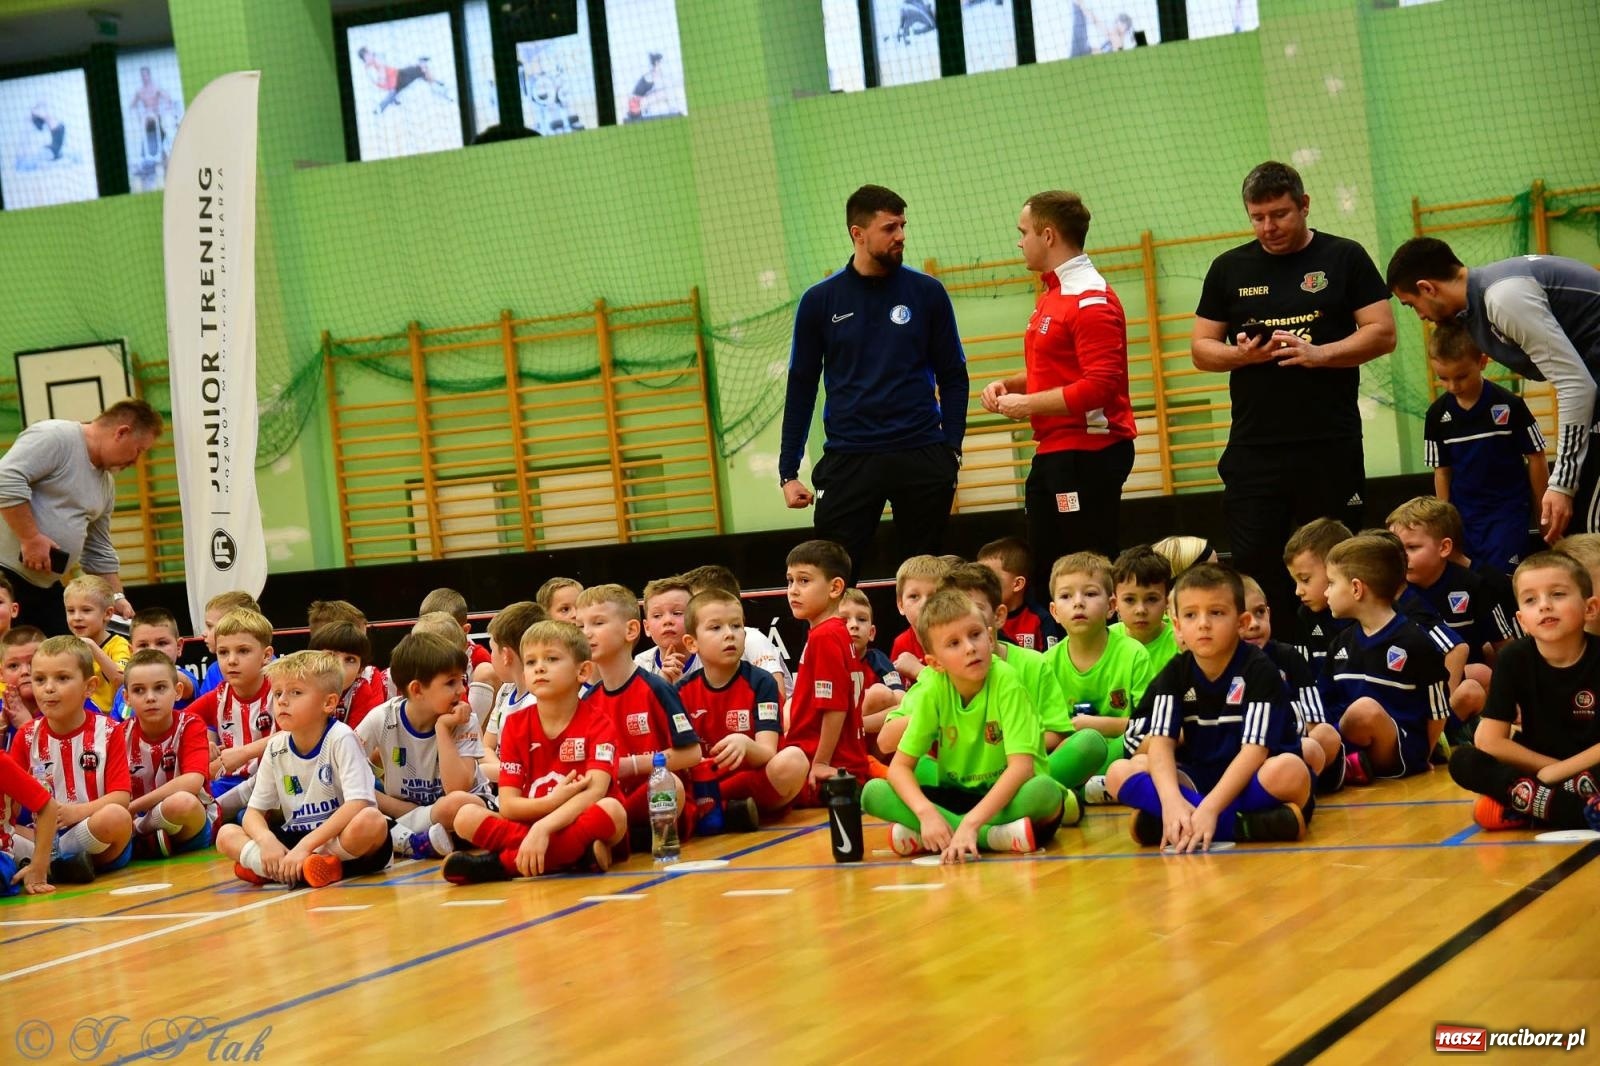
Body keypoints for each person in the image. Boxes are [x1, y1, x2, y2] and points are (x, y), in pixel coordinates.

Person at [1191, 162, 1396, 635]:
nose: (1269, 227)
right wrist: (1240, 355)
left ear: (1304, 206)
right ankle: (1273, 661)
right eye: (1258, 217)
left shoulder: (1344, 257)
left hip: (1329, 442)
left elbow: (1382, 333)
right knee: (1256, 562)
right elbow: (1201, 349)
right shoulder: (1229, 268)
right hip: (1254, 447)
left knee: (1335, 562)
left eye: (1280, 214)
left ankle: (1341, 658)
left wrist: (1318, 352)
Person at [779, 185, 968, 579]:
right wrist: (788, 470)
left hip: (921, 453)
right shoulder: (820, 301)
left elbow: (953, 375)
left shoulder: (927, 292)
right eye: (889, 227)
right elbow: (801, 386)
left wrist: (951, 449)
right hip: (850, 458)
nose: (901, 235)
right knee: (834, 578)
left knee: (926, 580)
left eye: (903, 225)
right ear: (857, 233)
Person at [1387, 238, 1600, 541]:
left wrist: (1561, 484)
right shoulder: (1483, 300)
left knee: (1590, 534)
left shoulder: (1502, 297)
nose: (1419, 315)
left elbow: (1576, 385)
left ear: (1427, 288)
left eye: (1411, 305)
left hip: (1591, 387)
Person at [982, 190, 1136, 572]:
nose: (1020, 242)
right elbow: (1055, 372)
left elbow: (1100, 385)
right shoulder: (1053, 293)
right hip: (1055, 451)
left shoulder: (1089, 297)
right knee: (1048, 569)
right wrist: (1011, 385)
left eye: (1023, 232)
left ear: (1048, 236)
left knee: (1086, 570)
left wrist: (1028, 404)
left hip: (1088, 453)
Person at [1106, 565, 1311, 850]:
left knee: (1291, 770)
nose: (1203, 623)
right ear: (1177, 626)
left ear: (1241, 622)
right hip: (1197, 779)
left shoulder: (1259, 670)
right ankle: (1237, 825)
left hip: (1253, 779)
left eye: (1216, 613)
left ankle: (1194, 824)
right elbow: (1161, 744)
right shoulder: (1174, 673)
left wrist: (1210, 809)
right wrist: (1172, 802)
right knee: (1120, 771)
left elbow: (1255, 752)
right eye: (1191, 615)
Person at [862, 588, 1068, 861]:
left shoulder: (1007, 680)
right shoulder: (933, 688)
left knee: (1046, 792)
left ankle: (951, 834)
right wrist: (927, 814)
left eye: (975, 634)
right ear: (935, 663)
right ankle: (994, 837)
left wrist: (970, 824)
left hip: (1009, 795)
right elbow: (900, 767)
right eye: (954, 643)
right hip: (957, 795)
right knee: (873, 792)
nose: (970, 647)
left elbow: (1021, 768)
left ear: (990, 636)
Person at [443, 621, 628, 882]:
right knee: (465, 817)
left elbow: (595, 793)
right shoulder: (516, 724)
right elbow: (508, 805)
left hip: (580, 821)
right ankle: (576, 856)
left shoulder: (599, 723)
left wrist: (544, 828)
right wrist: (549, 807)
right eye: (530, 662)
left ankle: (501, 865)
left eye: (551, 659)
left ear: (583, 671)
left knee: (612, 810)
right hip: (530, 823)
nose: (539, 667)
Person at [1449, 552, 1600, 830]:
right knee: (1463, 760)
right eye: (1531, 599)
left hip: (1590, 766)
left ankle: (1528, 804)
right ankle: (1574, 809)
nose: (1544, 606)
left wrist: (1556, 773)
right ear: (1521, 620)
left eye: (1557, 594)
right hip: (1540, 765)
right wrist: (1550, 770)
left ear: (1590, 608)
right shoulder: (1513, 658)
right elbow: (1492, 741)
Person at [218, 651, 391, 887]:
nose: (282, 701)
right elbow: (253, 813)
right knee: (226, 834)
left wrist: (305, 847)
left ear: (329, 703)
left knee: (372, 822)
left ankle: (272, 870)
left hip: (335, 837)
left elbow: (357, 804)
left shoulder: (341, 737)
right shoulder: (276, 746)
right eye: (277, 693)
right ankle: (306, 868)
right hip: (298, 837)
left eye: (295, 692)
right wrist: (266, 840)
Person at [0, 399, 162, 634]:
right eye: (138, 450)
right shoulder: (56, 437)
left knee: (63, 655)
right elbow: (5, 480)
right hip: (4, 575)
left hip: (43, 585)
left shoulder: (106, 485)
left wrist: (115, 597)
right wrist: (30, 538)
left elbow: (98, 551)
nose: (136, 462)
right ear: (122, 432)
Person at [1318, 535, 1451, 785]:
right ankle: (1339, 768)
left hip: (1397, 751)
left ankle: (1341, 767)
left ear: (1357, 588)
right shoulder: (1341, 643)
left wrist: (1424, 756)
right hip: (1345, 741)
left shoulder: (1415, 641)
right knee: (1315, 734)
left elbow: (1437, 709)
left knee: (1363, 710)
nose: (1326, 592)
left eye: (1331, 583)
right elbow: (1324, 701)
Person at [576, 584, 700, 848]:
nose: (586, 633)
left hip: (656, 799)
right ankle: (619, 839)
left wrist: (631, 765)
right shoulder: (587, 701)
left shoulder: (656, 688)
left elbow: (691, 754)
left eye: (597, 623)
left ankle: (611, 839)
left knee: (670, 787)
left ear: (631, 630)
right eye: (579, 626)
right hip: (612, 799)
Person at [354, 633, 492, 861]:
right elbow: (343, 768)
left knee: (457, 806)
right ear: (417, 690)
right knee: (355, 805)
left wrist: (442, 730)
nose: (460, 690)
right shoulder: (382, 718)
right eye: (450, 683)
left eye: (462, 680)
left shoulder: (463, 718)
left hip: (456, 807)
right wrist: (386, 803)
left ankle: (401, 837)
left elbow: (458, 789)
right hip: (402, 807)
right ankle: (419, 839)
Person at [676, 588, 807, 829]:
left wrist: (745, 746)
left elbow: (768, 752)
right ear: (691, 643)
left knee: (794, 761)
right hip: (703, 784)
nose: (730, 635)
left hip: (750, 779)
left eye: (736, 626)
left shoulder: (762, 682)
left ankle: (711, 813)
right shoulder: (681, 691)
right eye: (716, 628)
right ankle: (730, 813)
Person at [1422, 321, 1547, 572]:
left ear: (1482, 362)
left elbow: (1536, 457)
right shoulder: (1436, 415)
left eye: (1461, 376)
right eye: (1443, 378)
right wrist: (1445, 523)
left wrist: (1543, 512)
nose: (1453, 386)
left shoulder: (1510, 405)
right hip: (1465, 517)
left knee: (1504, 578)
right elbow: (1442, 472)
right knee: (1475, 581)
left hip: (1508, 512)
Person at [9, 635, 134, 876]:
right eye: (40, 679)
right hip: (40, 838)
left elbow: (120, 798)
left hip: (90, 833)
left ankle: (50, 865)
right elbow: (11, 804)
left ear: (90, 687)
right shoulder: (26, 735)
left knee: (116, 817)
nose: (48, 688)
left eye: (62, 678)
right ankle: (60, 866)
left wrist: (77, 812)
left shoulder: (108, 730)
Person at [1042, 552, 1152, 789]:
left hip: (1119, 750)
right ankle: (1096, 789)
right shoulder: (1046, 663)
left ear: (1112, 606)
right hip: (1071, 751)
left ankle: (1070, 791)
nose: (1078, 602)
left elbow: (1148, 724)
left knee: (1152, 745)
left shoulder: (1134, 653)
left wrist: (1094, 725)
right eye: (1065, 596)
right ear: (1054, 612)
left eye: (1090, 594)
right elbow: (1043, 732)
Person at [780, 540, 870, 803]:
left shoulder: (825, 637)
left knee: (750, 781)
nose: (793, 591)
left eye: (804, 581)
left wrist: (820, 762)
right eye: (789, 581)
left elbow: (835, 707)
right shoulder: (836, 632)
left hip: (823, 768)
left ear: (835, 587)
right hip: (842, 763)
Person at [122, 650, 214, 858]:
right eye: (139, 690)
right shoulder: (117, 735)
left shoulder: (190, 724)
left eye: (160, 688)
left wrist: (133, 807)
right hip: (136, 817)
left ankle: (142, 841)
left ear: (178, 691)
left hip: (190, 821)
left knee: (183, 802)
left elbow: (192, 782)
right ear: (126, 698)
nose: (150, 697)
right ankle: (151, 841)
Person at [187, 608, 275, 820]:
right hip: (228, 781)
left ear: (266, 656)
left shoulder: (280, 691)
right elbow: (177, 725)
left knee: (238, 815)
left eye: (243, 651)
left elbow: (296, 735)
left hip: (274, 780)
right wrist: (199, 747)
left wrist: (244, 753)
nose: (231, 660)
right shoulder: (217, 698)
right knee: (187, 800)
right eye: (223, 652)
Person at [475, 601, 547, 781]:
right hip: (504, 784)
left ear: (506, 655)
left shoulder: (538, 702)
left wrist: (481, 772)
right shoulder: (506, 691)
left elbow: (529, 773)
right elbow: (487, 747)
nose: (491, 657)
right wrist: (501, 770)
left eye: (492, 650)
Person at [977, 536, 1061, 651]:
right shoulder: (980, 615)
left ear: (1017, 584)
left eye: (990, 578)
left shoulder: (1041, 619)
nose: (982, 584)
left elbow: (1050, 662)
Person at [64, 575, 130, 715]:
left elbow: (123, 681)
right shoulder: (67, 648)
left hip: (113, 721)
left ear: (107, 613)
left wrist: (92, 647)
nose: (77, 617)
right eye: (71, 611)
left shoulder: (118, 644)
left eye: (86, 610)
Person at [1110, 545, 1180, 674]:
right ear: (1115, 603)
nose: (1141, 610)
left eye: (1152, 599)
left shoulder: (1182, 642)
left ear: (1167, 600)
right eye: (1130, 600)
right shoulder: (1104, 641)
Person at [889, 555, 949, 686]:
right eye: (914, 596)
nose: (924, 604)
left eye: (933, 596)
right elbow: (896, 691)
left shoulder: (956, 638)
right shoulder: (901, 643)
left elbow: (958, 691)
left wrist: (918, 671)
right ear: (900, 605)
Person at [359, 47, 454, 114]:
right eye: (368, 54)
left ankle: (435, 82)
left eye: (370, 52)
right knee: (421, 70)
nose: (371, 54)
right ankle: (438, 87)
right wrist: (382, 71)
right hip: (397, 80)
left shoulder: (373, 61)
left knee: (419, 71)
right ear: (365, 58)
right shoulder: (370, 69)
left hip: (397, 74)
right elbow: (381, 81)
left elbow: (383, 56)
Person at [634, 576, 693, 683]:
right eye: (657, 615)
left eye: (677, 613)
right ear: (647, 627)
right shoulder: (640, 664)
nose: (667, 620)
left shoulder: (709, 660)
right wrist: (660, 685)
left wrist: (681, 688)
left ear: (694, 620)